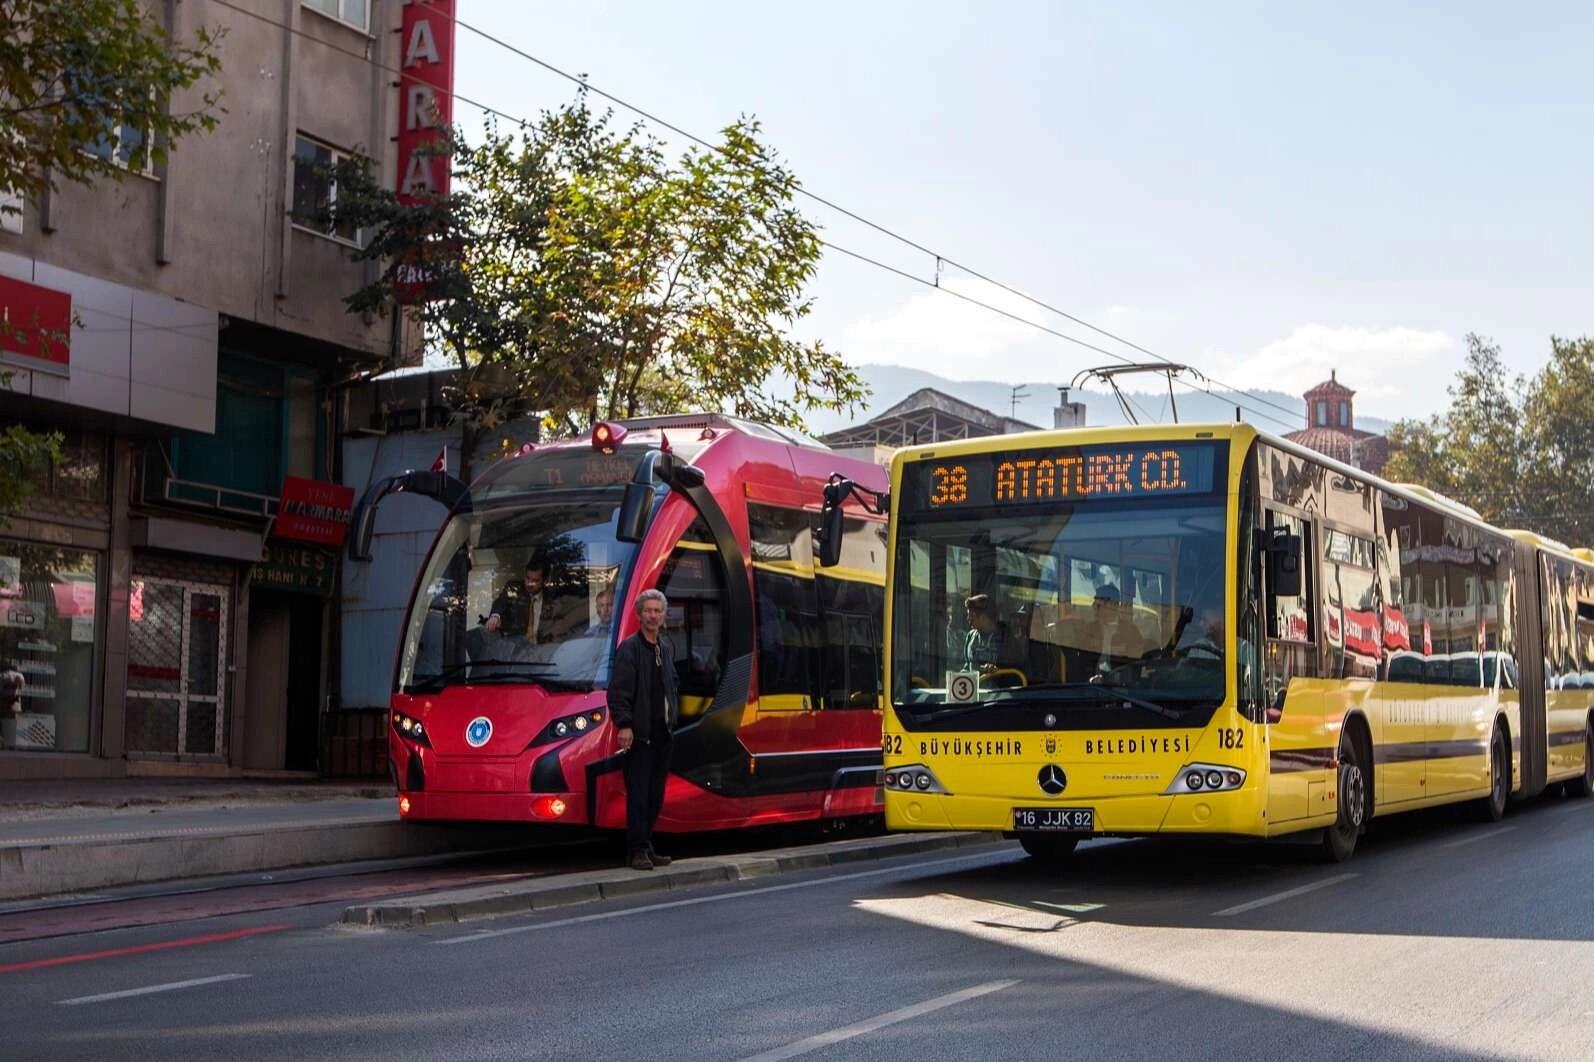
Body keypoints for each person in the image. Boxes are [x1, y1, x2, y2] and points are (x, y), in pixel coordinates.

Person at [608, 588, 678, 870]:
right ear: (639, 615)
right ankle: (636, 850)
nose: (653, 616)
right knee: (638, 795)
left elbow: (672, 685)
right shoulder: (630, 648)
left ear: (663, 616)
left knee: (655, 796)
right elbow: (619, 691)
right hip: (639, 734)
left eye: (657, 611)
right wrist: (624, 724)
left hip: (663, 733)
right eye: (648, 611)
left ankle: (647, 846)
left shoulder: (666, 646)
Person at [484, 556, 580, 644]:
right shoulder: (513, 588)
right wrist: (495, 616)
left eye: (535, 581)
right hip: (516, 652)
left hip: (543, 652)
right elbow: (501, 601)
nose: (529, 583)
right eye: (528, 578)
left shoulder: (552, 598)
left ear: (545, 580)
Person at [1090, 586, 1144, 676]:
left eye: (1099, 605)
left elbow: (1136, 664)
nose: (1093, 607)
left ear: (1113, 605)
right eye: (1094, 604)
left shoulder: (1131, 632)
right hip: (1087, 685)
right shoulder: (1088, 629)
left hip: (1119, 684)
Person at [963, 594, 1019, 675]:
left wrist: (996, 671)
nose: (968, 619)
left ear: (984, 618)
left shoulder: (1007, 639)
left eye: (971, 616)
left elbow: (1014, 672)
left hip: (1000, 687)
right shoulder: (971, 636)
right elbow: (967, 667)